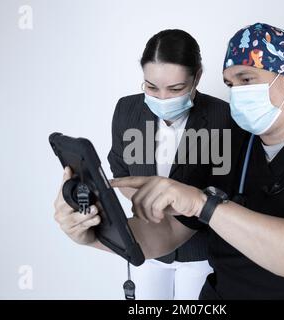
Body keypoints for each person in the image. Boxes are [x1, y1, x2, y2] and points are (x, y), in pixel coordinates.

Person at [54, 23, 284, 299]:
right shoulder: (230, 145)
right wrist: (97, 233)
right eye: (230, 84)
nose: (236, 93)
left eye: (246, 80)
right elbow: (168, 232)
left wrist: (205, 204)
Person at [55, 29, 241, 300]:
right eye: (152, 87)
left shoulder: (225, 117)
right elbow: (121, 171)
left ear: (197, 77)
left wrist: (175, 203)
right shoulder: (126, 110)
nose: (162, 98)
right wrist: (151, 205)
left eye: (175, 89)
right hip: (145, 244)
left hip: (202, 252)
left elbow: (228, 192)